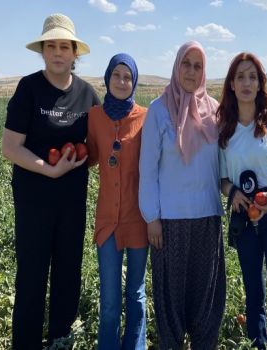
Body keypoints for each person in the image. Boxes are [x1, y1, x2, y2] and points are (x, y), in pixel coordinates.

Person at [1, 13, 100, 349]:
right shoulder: (29, 89)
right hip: (34, 200)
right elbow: (10, 147)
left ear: (75, 54)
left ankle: (60, 339)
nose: (58, 53)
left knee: (68, 272)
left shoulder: (87, 95)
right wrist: (49, 168)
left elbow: (100, 144)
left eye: (64, 46)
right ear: (43, 51)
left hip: (72, 201)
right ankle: (26, 343)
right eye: (52, 46)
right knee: (31, 274)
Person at [138, 41, 225, 349]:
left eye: (197, 65)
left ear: (204, 71)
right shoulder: (159, 111)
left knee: (206, 300)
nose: (191, 71)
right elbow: (147, 170)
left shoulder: (214, 110)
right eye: (186, 64)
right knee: (170, 303)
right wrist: (152, 217)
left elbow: (225, 164)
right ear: (176, 67)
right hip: (170, 222)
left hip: (207, 218)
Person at [217, 52, 267, 349]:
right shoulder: (224, 128)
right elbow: (223, 180)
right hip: (244, 216)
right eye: (240, 77)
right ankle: (258, 344)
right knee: (253, 290)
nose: (246, 82)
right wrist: (233, 193)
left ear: (260, 83)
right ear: (231, 85)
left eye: (252, 76)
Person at [87, 53, 148, 349]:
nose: (122, 81)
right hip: (107, 222)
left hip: (138, 221)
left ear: (134, 81)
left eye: (128, 76)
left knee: (136, 293)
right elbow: (87, 156)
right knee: (109, 298)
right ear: (107, 77)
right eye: (117, 75)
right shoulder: (95, 117)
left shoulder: (145, 117)